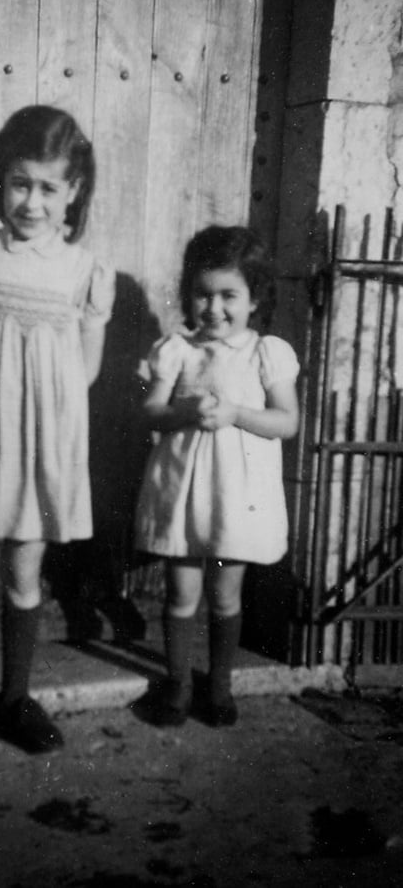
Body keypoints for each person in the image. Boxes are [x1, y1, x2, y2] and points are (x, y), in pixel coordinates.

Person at [0, 105, 115, 758]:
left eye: (47, 187)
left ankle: (12, 698)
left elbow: (85, 370)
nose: (31, 201)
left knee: (24, 578)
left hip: (41, 457)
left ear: (72, 191)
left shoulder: (83, 270)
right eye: (19, 184)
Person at [134, 225, 299, 727]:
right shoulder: (178, 349)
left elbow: (286, 421)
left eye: (229, 295)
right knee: (182, 593)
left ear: (254, 300)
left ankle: (220, 685)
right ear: (188, 296)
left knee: (225, 594)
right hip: (184, 491)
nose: (214, 308)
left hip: (236, 495)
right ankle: (179, 683)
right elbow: (151, 412)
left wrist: (235, 414)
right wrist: (185, 409)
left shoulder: (266, 352)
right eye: (203, 294)